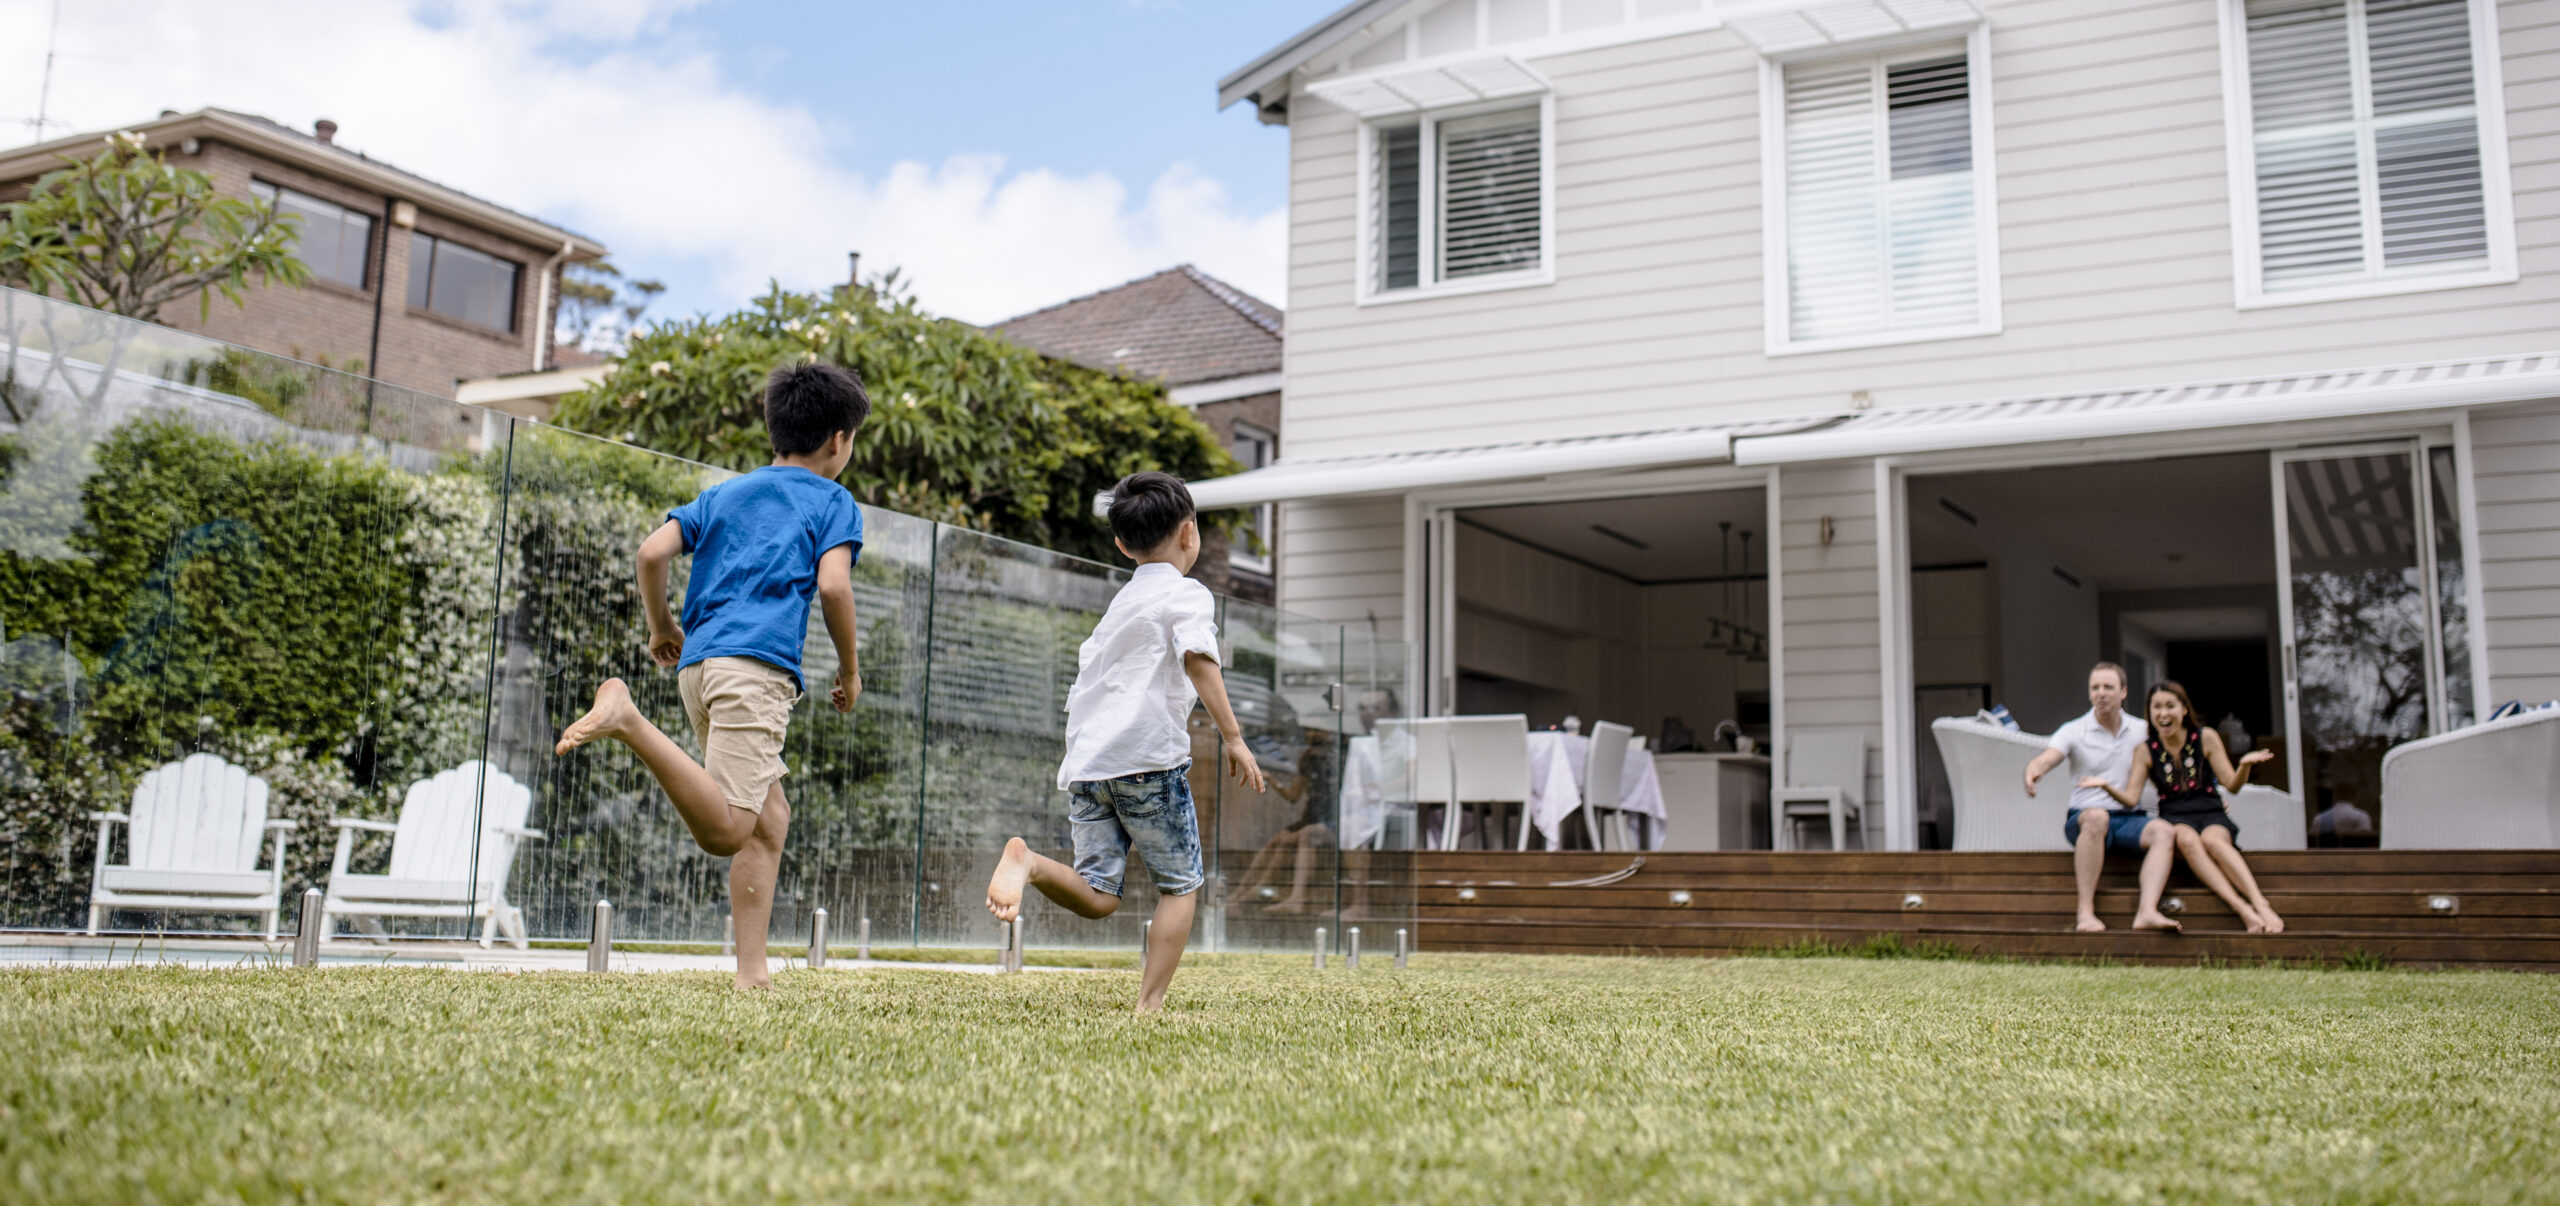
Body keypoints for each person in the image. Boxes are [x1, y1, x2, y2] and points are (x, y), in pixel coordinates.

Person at [554, 363, 869, 989]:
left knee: (768, 816)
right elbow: (834, 586)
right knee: (729, 828)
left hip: (699, 666)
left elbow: (651, 552)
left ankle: (752, 976)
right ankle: (627, 721)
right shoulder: (834, 501)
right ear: (839, 439)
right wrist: (851, 672)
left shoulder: (725, 493)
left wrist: (662, 628)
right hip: (754, 671)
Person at [985, 472, 1265, 1013]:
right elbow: (1198, 659)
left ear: (1120, 544)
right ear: (1190, 534)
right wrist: (1234, 737)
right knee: (1180, 886)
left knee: (1099, 897)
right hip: (1147, 764)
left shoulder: (1120, 605)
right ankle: (1149, 1005)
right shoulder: (1187, 594)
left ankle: (1032, 863)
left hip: (1090, 765)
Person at [2081, 680, 2286, 933]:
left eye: (2170, 706)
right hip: (2176, 816)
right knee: (2188, 841)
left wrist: (2244, 766)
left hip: (2210, 810)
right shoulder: (2146, 751)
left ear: (2184, 710)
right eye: (2157, 707)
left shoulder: (2205, 738)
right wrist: (2106, 786)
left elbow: (2231, 786)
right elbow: (2131, 798)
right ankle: (2242, 909)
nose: (2163, 714)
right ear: (2150, 713)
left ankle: (2260, 904)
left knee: (2213, 841)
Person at [2022, 662, 2182, 933]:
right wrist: (2033, 771)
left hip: (2130, 818)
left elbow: (2178, 760)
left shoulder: (2143, 730)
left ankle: (2147, 912)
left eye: (2108, 687)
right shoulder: (2074, 730)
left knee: (2164, 832)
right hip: (2086, 819)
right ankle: (2085, 912)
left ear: (2123, 692)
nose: (2101, 693)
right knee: (2097, 817)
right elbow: (2048, 758)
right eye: (2095, 688)